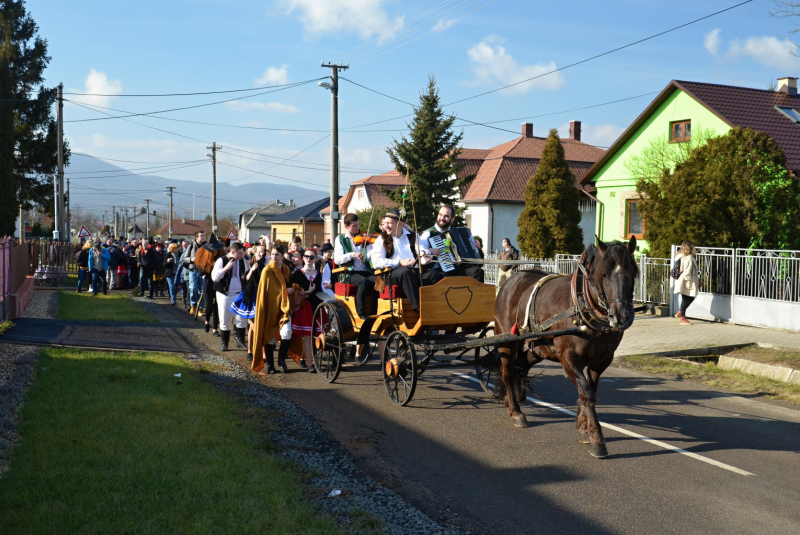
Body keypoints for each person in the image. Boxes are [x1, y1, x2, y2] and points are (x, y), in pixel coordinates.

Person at [252, 244, 295, 375]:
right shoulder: (267, 270)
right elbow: (268, 291)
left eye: (277, 254)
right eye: (272, 254)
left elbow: (287, 284)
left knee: (287, 333)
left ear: (282, 256)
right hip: (270, 307)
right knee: (269, 337)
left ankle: (281, 360)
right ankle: (270, 365)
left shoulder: (286, 269)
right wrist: (285, 290)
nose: (274, 257)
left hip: (284, 307)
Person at [371, 210, 423, 313]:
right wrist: (399, 262)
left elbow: (421, 251)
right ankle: (419, 309)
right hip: (391, 273)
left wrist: (425, 257)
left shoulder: (413, 236)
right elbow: (376, 262)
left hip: (414, 270)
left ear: (399, 223)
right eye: (384, 223)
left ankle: (438, 309)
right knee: (405, 272)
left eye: (389, 223)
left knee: (434, 275)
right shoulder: (382, 239)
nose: (386, 226)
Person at [418, 204, 484, 283]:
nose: (442, 218)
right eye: (440, 215)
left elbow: (477, 259)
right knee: (445, 277)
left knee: (477, 272)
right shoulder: (428, 234)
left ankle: (473, 295)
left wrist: (476, 249)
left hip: (456, 269)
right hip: (437, 271)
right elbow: (420, 254)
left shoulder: (457, 233)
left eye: (446, 216)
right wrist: (429, 251)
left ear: (452, 219)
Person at [334, 213, 378, 319]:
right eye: (354, 226)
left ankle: (373, 313)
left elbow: (368, 258)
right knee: (363, 281)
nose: (357, 228)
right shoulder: (340, 239)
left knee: (379, 281)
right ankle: (361, 313)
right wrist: (353, 255)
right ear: (346, 226)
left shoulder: (364, 238)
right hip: (349, 272)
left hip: (365, 271)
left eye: (358, 225)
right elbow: (337, 259)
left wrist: (374, 248)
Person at [231, 244, 267, 361]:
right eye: (258, 252)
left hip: (263, 297)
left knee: (262, 326)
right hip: (252, 296)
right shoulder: (249, 263)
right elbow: (246, 278)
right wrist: (252, 269)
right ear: (254, 253)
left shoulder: (267, 265)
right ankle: (250, 351)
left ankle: (262, 351)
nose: (260, 254)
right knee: (252, 325)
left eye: (262, 252)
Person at [212, 242, 248, 351]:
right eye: (240, 253)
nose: (242, 255)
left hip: (239, 294)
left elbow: (246, 273)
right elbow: (215, 278)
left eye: (243, 253)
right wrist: (225, 268)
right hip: (225, 295)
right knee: (225, 319)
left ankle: (240, 341)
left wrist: (245, 276)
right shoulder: (221, 260)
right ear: (232, 252)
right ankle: (225, 343)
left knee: (241, 318)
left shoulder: (242, 261)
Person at [290, 248, 320, 373]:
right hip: (304, 307)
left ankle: (304, 358)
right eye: (306, 256)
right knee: (307, 336)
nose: (308, 259)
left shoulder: (319, 274)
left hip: (316, 306)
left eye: (311, 257)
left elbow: (320, 291)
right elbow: (294, 292)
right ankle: (310, 364)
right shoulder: (298, 273)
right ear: (303, 258)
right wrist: (306, 292)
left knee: (312, 336)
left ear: (315, 259)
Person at [673, 241, 701, 325]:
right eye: (693, 247)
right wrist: (690, 283)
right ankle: (682, 317)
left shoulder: (682, 256)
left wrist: (698, 280)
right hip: (686, 281)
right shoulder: (689, 258)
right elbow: (687, 272)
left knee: (688, 298)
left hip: (684, 280)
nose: (695, 249)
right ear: (690, 248)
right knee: (686, 299)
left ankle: (681, 313)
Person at [181, 231, 206, 315]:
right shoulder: (191, 246)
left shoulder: (206, 246)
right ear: (197, 238)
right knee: (193, 289)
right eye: (201, 236)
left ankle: (200, 309)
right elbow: (185, 258)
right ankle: (193, 306)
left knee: (201, 291)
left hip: (202, 271)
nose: (203, 237)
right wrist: (191, 259)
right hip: (193, 271)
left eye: (203, 236)